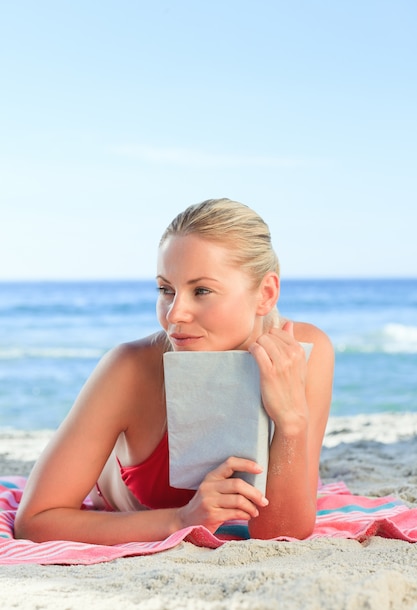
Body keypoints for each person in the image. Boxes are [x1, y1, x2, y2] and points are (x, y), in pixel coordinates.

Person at [15, 198, 334, 544]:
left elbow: (282, 535)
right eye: (166, 290)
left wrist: (290, 422)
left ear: (265, 294)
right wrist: (183, 519)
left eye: (201, 290)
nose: (174, 314)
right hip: (116, 505)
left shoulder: (305, 352)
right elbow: (36, 521)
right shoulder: (130, 368)